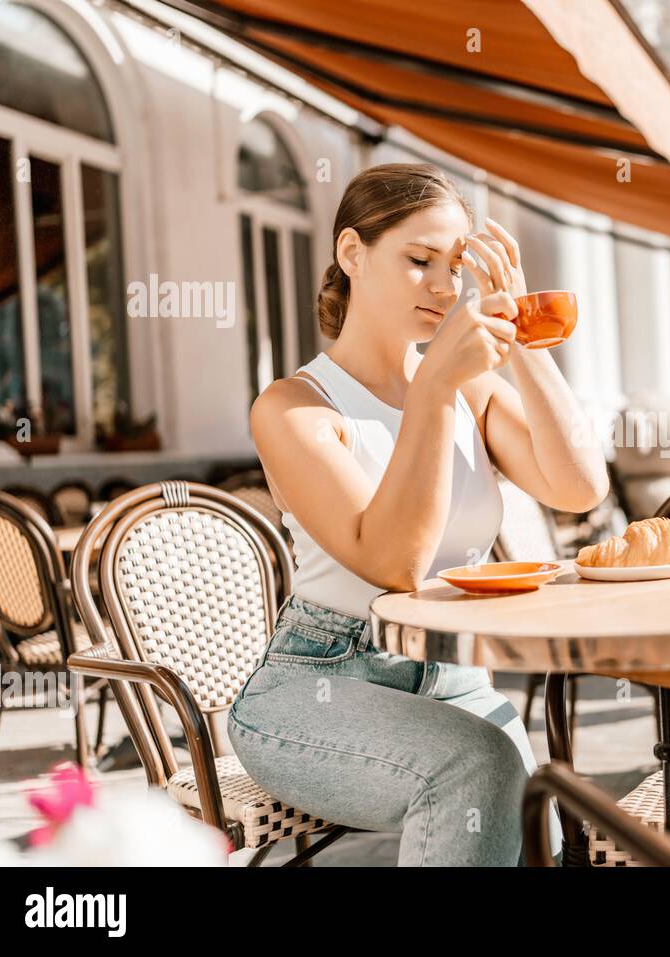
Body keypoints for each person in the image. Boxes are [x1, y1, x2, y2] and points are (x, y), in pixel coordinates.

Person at [227, 163, 609, 865]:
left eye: (456, 267)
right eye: (418, 260)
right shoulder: (294, 407)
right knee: (479, 767)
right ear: (352, 253)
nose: (444, 287)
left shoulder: (473, 392)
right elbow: (393, 563)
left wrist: (522, 330)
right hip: (319, 683)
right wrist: (432, 386)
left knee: (540, 827)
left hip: (451, 670)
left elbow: (581, 486)